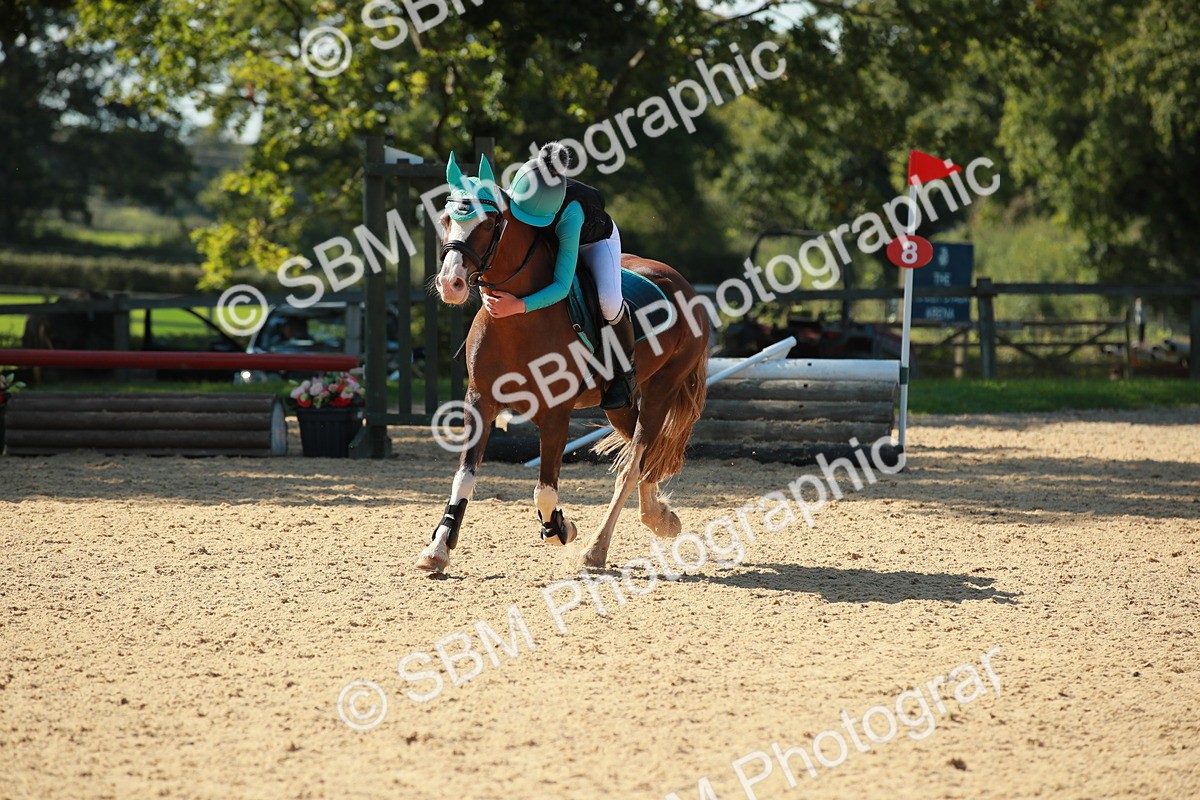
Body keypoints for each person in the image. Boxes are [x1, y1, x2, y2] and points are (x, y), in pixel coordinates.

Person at [482, 142, 635, 409]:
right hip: (550, 238)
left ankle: (623, 373)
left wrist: (519, 306)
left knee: (609, 302)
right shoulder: (517, 191)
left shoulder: (571, 214)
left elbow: (562, 286)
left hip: (594, 243)